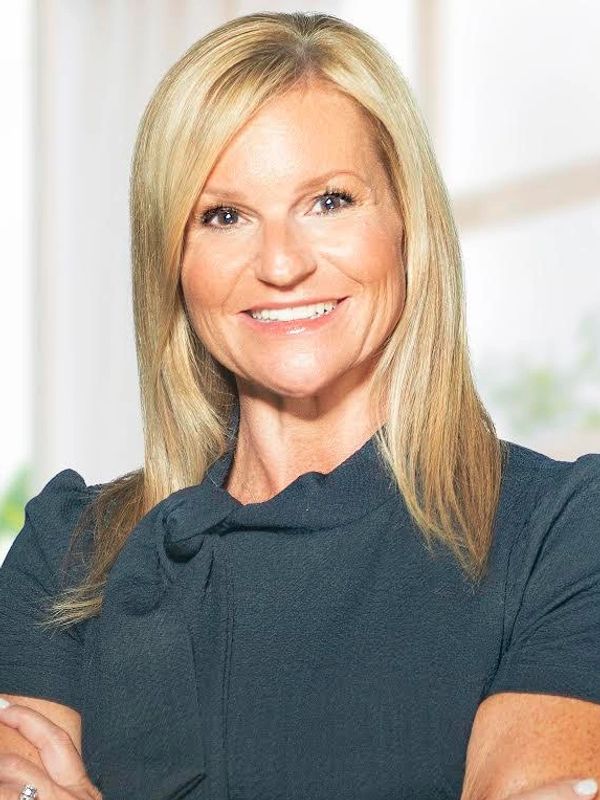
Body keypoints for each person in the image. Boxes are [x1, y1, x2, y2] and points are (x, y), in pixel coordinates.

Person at [0, 10, 599, 800]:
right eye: (224, 216)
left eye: (329, 201)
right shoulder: (71, 552)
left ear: (407, 224)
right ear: (172, 262)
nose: (281, 264)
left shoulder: (562, 534)